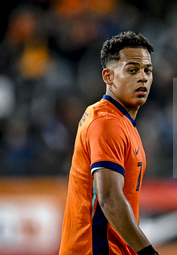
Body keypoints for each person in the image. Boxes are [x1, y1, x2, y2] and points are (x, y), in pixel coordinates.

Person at [59, 31, 159, 255]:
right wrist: (147, 252)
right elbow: (110, 198)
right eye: (132, 70)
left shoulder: (118, 120)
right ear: (108, 76)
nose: (142, 77)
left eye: (147, 71)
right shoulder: (106, 122)